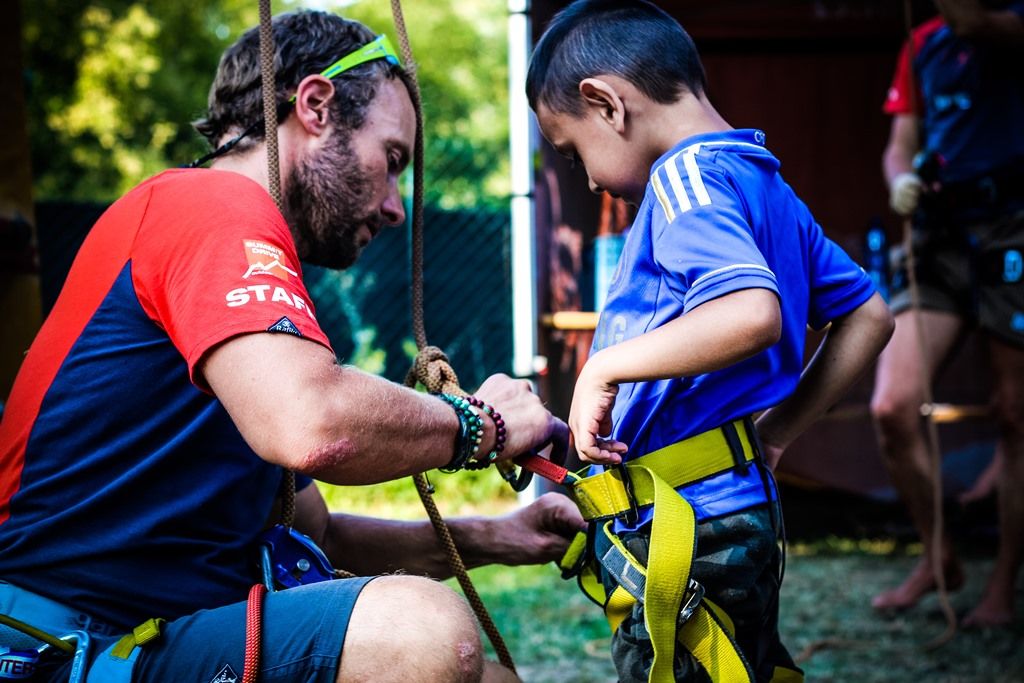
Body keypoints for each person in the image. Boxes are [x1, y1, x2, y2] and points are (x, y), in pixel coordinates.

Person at [0, 10, 584, 683]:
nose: (396, 206)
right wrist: (487, 425)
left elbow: (318, 536)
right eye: (392, 159)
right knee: (418, 631)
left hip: (136, 642)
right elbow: (314, 422)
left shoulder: (241, 296)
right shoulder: (212, 205)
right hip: (58, 647)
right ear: (315, 106)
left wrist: (497, 536)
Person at [526, 2, 894, 681]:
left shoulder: (683, 179)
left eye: (574, 152)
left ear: (606, 103)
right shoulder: (764, 183)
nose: (591, 179)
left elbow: (750, 313)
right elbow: (870, 316)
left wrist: (604, 367)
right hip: (733, 509)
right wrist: (776, 435)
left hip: (688, 524)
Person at [869, 0, 1024, 627]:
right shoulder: (923, 43)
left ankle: (1003, 585)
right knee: (892, 406)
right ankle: (939, 557)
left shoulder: (1006, 23)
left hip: (1013, 227)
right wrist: (900, 179)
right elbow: (899, 145)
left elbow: (980, 24)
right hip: (940, 235)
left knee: (1015, 414)